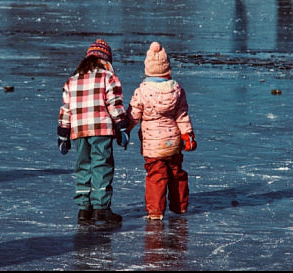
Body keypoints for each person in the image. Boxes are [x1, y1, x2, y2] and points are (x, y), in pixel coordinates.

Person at [57, 39, 129, 224]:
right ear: (105, 60)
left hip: (79, 131)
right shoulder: (108, 77)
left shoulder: (72, 81)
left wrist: (63, 134)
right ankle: (100, 209)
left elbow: (66, 109)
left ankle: (83, 210)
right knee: (101, 166)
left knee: (83, 166)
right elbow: (114, 105)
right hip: (101, 130)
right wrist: (123, 126)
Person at [123, 42, 197, 221]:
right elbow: (182, 116)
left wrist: (124, 130)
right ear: (167, 68)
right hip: (173, 143)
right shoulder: (177, 90)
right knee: (176, 173)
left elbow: (133, 115)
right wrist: (187, 135)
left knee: (157, 176)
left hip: (153, 146)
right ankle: (179, 207)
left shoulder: (142, 91)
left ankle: (156, 211)